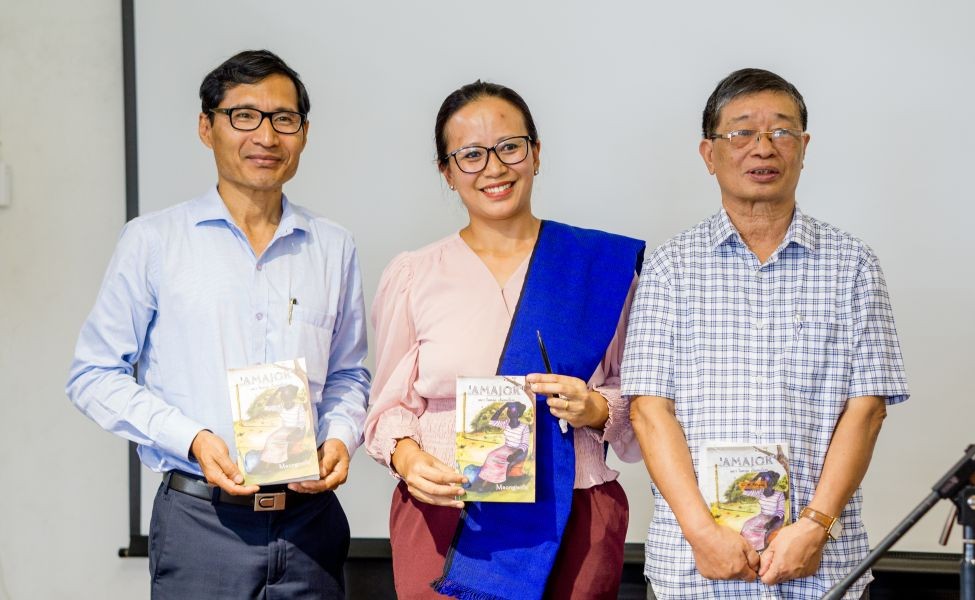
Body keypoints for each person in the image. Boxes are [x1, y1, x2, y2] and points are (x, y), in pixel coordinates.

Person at [66, 50, 370, 599]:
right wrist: (194, 440)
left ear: (304, 134)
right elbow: (93, 375)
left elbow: (350, 374)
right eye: (244, 116)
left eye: (284, 119)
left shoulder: (333, 246)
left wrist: (341, 438)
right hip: (200, 524)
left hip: (311, 524)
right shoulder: (153, 241)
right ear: (207, 127)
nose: (267, 136)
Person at [622, 68, 909, 599]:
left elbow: (866, 409)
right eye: (741, 133)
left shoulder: (852, 265)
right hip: (695, 566)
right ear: (709, 155)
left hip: (820, 565)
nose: (763, 147)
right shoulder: (669, 267)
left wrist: (815, 525)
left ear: (804, 147)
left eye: (781, 131)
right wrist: (703, 533)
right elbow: (648, 410)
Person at [364, 81, 645, 599]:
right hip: (450, 515)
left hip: (575, 511)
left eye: (509, 147)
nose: (493, 168)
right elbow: (386, 406)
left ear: (536, 154)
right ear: (446, 172)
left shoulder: (597, 269)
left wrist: (596, 407)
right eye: (470, 155)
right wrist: (407, 459)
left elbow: (640, 394)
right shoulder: (413, 274)